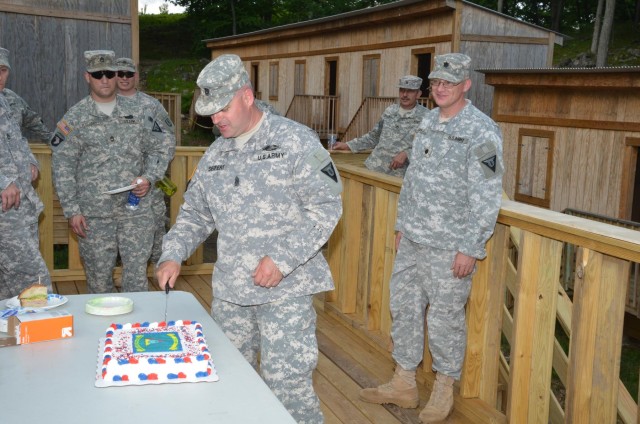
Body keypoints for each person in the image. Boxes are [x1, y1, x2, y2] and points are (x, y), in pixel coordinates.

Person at [156, 54, 343, 424]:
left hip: (285, 291)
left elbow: (326, 208)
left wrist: (282, 259)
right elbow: (195, 214)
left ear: (247, 95)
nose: (216, 119)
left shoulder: (295, 140)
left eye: (222, 108)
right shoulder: (215, 155)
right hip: (230, 294)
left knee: (287, 391)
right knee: (230, 386)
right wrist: (172, 253)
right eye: (210, 112)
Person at [358, 53, 504, 423]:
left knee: (444, 319)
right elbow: (414, 179)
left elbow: (488, 195)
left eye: (449, 83)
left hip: (450, 245)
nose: (441, 88)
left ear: (465, 85)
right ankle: (404, 382)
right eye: (436, 82)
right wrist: (401, 225)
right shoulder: (425, 122)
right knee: (404, 308)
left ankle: (443, 390)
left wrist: (471, 247)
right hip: (413, 238)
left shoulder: (481, 130)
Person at [51, 50, 173, 293]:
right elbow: (62, 165)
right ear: (88, 77)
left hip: (136, 208)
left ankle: (134, 328)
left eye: (110, 73)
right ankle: (103, 329)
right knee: (98, 277)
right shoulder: (75, 117)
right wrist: (72, 210)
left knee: (137, 275)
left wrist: (149, 177)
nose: (105, 79)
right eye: (98, 75)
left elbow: (162, 147)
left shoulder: (141, 112)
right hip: (94, 212)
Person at [115, 57, 176, 264]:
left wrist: (152, 175)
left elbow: (167, 141)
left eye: (128, 74)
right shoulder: (102, 105)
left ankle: (162, 292)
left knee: (156, 247)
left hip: (148, 193)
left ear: (136, 76)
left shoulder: (151, 106)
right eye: (119, 73)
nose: (124, 78)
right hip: (114, 193)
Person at [0, 93, 52, 299]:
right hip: (6, 208)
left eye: (4, 70)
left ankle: (11, 329)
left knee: (8, 283)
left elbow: (15, 138)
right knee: (33, 278)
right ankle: (45, 327)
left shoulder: (6, 99)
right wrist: (3, 181)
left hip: (20, 204)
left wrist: (30, 161)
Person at [331, 75, 428, 178]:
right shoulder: (390, 111)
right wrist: (348, 145)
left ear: (418, 94)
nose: (404, 94)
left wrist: (407, 154)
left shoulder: (427, 117)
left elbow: (429, 148)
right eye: (402, 90)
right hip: (374, 168)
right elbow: (374, 136)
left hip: (400, 176)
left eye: (410, 91)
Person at [0, 47, 52, 143]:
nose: (0, 77)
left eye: (3, 70)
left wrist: (57, 143)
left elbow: (33, 122)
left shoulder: (12, 98)